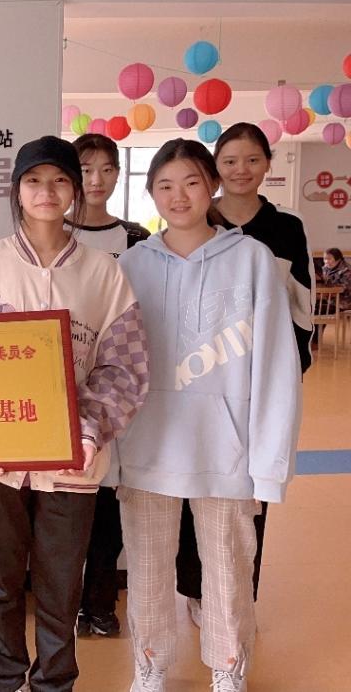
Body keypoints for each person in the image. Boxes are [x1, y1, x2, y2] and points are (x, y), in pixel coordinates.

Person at [0, 136, 149, 692]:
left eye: (60, 179)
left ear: (75, 189)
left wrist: (87, 430)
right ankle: (6, 678)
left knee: (62, 585)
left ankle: (55, 683)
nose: (47, 191)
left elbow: (124, 366)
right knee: (0, 581)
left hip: (74, 459)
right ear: (17, 190)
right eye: (34, 180)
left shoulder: (103, 272)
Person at [116, 138, 301, 692]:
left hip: (227, 449)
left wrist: (268, 463)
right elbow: (113, 363)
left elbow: (276, 364)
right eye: (165, 186)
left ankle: (227, 666)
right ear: (151, 193)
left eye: (191, 182)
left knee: (228, 565)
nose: (179, 196)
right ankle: (150, 663)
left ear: (211, 187)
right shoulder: (131, 265)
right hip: (147, 446)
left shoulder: (251, 260)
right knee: (147, 565)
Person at [175, 122, 312, 625]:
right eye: (229, 161)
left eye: (252, 159)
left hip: (258, 384)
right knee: (193, 483)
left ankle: (239, 593)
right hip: (198, 379)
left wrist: (288, 372)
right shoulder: (196, 219)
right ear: (215, 168)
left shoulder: (286, 228)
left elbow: (301, 309)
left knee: (252, 492)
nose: (240, 170)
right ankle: (195, 589)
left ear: (268, 164)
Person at [69, 133, 150, 639]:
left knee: (108, 503)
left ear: (118, 175)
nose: (95, 180)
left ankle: (100, 603)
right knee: (69, 501)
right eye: (85, 169)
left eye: (106, 169)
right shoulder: (55, 235)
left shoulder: (138, 239)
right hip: (65, 389)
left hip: (117, 389)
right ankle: (64, 602)